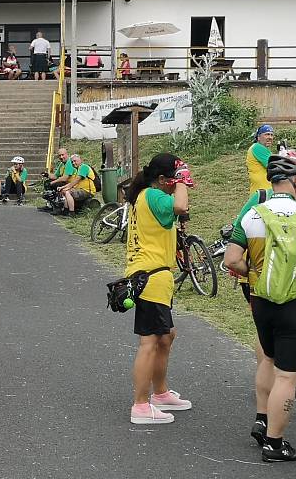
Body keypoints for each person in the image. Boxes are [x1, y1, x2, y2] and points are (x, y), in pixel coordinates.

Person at [224, 152, 296, 461]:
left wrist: (254, 274)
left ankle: (261, 420)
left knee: (268, 359)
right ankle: (275, 443)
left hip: (261, 301)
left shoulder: (252, 215)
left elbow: (231, 260)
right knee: (288, 376)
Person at [124, 153, 191, 425]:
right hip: (152, 276)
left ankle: (160, 393)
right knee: (150, 342)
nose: (176, 185)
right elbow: (181, 206)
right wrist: (184, 181)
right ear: (163, 180)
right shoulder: (154, 195)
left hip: (153, 276)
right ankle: (141, 405)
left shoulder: (146, 196)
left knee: (166, 336)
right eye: (173, 180)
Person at [247, 124, 274, 194]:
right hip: (263, 192)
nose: (270, 137)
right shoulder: (257, 147)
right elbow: (273, 166)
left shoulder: (263, 149)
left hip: (262, 190)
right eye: (267, 134)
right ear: (258, 137)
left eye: (271, 135)